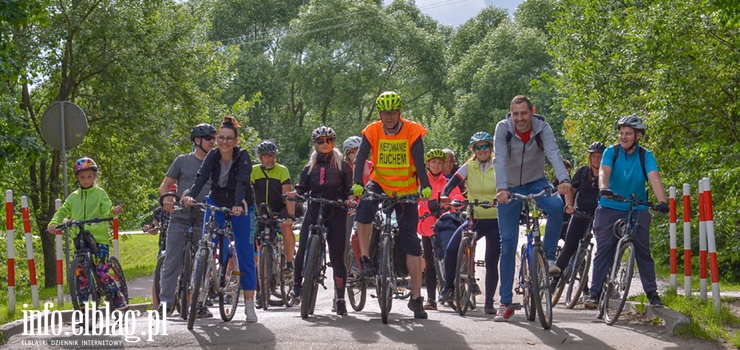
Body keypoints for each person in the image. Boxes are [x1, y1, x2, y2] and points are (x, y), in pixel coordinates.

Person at [352, 91, 432, 319]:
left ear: (399, 112)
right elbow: (360, 159)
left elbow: (418, 160)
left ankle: (416, 298)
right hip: (380, 183)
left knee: (411, 242)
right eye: (385, 113)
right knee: (365, 208)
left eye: (393, 112)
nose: (389, 117)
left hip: (406, 189)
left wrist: (424, 186)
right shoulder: (372, 130)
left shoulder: (412, 130)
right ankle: (366, 259)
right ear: (380, 114)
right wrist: (358, 182)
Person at [493, 95, 572, 322]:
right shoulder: (503, 129)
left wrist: (563, 179)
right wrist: (501, 189)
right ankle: (505, 302)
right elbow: (498, 159)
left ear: (532, 111)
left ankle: (547, 259)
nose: (519, 118)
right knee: (507, 243)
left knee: (557, 205)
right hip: (508, 187)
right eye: (515, 114)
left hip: (537, 181)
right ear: (511, 113)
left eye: (524, 113)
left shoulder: (542, 128)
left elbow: (553, 154)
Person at [584, 115, 669, 309]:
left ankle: (652, 294)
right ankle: (594, 293)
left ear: (638, 136)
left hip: (636, 207)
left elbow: (654, 178)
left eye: (628, 133)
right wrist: (604, 187)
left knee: (643, 251)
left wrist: (662, 201)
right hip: (610, 205)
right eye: (621, 133)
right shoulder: (610, 152)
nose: (623, 137)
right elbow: (604, 172)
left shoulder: (645, 156)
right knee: (604, 248)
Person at [182, 116, 259, 323]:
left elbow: (242, 181)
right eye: (221, 138)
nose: (224, 142)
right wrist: (190, 194)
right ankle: (199, 291)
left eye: (229, 138)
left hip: (241, 206)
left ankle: (250, 303)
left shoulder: (242, 156)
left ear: (236, 140)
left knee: (244, 252)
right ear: (217, 139)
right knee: (206, 244)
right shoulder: (213, 155)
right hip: (216, 201)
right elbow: (202, 176)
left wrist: (236, 204)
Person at [288, 126, 354, 315]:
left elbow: (350, 188)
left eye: (329, 140)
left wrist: (350, 198)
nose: (325, 144)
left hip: (336, 210)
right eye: (320, 141)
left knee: (336, 255)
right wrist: (296, 194)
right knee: (301, 250)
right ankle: (297, 286)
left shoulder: (342, 165)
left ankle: (340, 298)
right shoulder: (310, 167)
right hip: (315, 208)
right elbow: (301, 187)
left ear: (333, 143)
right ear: (315, 144)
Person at [47, 157, 126, 311]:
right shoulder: (74, 197)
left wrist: (112, 212)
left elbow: (107, 209)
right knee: (81, 276)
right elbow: (62, 210)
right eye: (82, 177)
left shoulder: (100, 194)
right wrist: (54, 223)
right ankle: (82, 307)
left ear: (94, 177)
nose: (86, 180)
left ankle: (117, 295)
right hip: (80, 239)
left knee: (101, 272)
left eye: (89, 177)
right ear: (77, 178)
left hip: (99, 239)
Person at [156, 123, 216, 318]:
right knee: (172, 259)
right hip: (181, 214)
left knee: (204, 260)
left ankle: (199, 303)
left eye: (213, 138)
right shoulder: (182, 161)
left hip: (205, 215)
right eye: (208, 138)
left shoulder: (216, 163)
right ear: (197, 141)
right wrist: (166, 198)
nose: (212, 142)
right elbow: (165, 186)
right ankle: (165, 302)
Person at [439, 132, 501, 315]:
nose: (482, 150)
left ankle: (489, 302)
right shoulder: (469, 167)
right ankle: (448, 287)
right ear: (474, 150)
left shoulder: (498, 165)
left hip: (495, 219)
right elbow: (451, 183)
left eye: (485, 146)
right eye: (478, 147)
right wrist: (445, 195)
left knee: (491, 260)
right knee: (451, 249)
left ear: (490, 148)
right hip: (474, 218)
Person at [550, 142, 605, 295]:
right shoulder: (583, 172)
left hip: (599, 215)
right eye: (594, 156)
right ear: (590, 157)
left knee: (604, 249)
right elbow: (570, 190)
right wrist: (569, 205)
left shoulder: (608, 173)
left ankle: (600, 287)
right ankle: (554, 281)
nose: (596, 159)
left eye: (599, 157)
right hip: (580, 213)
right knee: (570, 247)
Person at [417, 149, 464, 310]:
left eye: (440, 163)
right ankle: (431, 299)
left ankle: (455, 289)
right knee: (429, 263)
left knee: (451, 257)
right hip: (427, 226)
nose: (437, 165)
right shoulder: (421, 181)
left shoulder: (447, 182)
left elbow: (458, 196)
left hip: (443, 226)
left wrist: (455, 202)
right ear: (427, 164)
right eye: (433, 162)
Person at [251, 140, 296, 273]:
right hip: (260, 209)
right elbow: (248, 192)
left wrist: (290, 216)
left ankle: (289, 261)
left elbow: (287, 194)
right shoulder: (253, 171)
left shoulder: (282, 170)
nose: (270, 159)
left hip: (278, 208)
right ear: (260, 157)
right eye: (267, 156)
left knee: (286, 226)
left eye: (273, 155)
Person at [144, 183, 176, 311]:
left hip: (177, 243)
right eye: (168, 197)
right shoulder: (159, 212)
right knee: (158, 274)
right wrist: (149, 229)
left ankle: (188, 302)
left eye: (173, 196)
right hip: (164, 244)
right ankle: (155, 304)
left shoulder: (179, 209)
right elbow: (154, 229)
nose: (170, 200)